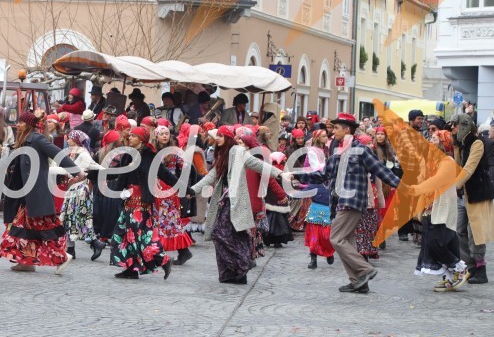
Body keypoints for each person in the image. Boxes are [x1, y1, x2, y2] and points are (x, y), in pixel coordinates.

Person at [286, 113, 402, 294]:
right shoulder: (338, 152)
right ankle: (358, 281)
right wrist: (297, 175)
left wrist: (403, 187)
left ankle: (365, 269)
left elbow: (381, 170)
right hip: (339, 202)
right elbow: (323, 174)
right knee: (348, 240)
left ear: (347, 130)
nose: (333, 132)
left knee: (336, 238)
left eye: (337, 128)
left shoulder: (362, 150)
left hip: (352, 201)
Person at [190, 125, 284, 284]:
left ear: (228, 138)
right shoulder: (222, 155)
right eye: (217, 136)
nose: (217, 139)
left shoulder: (238, 152)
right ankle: (233, 273)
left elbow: (259, 165)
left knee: (219, 233)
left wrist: (280, 173)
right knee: (234, 235)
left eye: (221, 136)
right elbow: (211, 176)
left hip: (235, 201)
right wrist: (192, 190)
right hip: (225, 199)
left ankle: (243, 263)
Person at [0, 112, 84, 273]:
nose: (18, 125)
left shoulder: (37, 139)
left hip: (36, 194)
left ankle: (63, 256)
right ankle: (27, 262)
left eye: (21, 122)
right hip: (25, 195)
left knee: (43, 228)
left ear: (28, 125)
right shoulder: (24, 141)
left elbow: (57, 154)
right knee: (24, 229)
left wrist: (76, 171)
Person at [108, 126, 180, 279]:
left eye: (133, 136)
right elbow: (117, 172)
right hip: (129, 201)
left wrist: (185, 188)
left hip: (141, 201)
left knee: (138, 235)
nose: (130, 138)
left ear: (141, 139)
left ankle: (163, 260)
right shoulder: (128, 155)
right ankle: (132, 269)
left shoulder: (150, 156)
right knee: (123, 234)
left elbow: (165, 174)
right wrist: (96, 175)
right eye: (130, 136)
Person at [412, 129, 469, 291]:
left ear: (444, 142)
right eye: (430, 138)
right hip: (430, 206)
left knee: (436, 241)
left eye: (435, 139)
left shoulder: (447, 161)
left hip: (442, 206)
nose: (431, 141)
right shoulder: (428, 160)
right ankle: (450, 276)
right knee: (441, 241)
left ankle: (458, 268)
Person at [451, 114, 494, 284]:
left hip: (477, 193)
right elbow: (457, 167)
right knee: (458, 230)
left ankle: (480, 269)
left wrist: (455, 185)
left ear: (464, 125)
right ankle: (469, 266)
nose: (453, 129)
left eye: (455, 125)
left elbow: (469, 168)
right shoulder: (460, 145)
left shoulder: (477, 143)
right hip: (463, 194)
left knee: (476, 232)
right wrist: (456, 147)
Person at [152, 125, 194, 265]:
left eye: (167, 133)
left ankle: (176, 251)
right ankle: (176, 251)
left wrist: (183, 187)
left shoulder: (175, 151)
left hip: (170, 188)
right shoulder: (152, 150)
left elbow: (186, 169)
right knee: (158, 220)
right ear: (156, 136)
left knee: (169, 221)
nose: (165, 136)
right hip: (155, 188)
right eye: (162, 134)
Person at [58, 129, 103, 260]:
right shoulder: (74, 153)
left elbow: (94, 167)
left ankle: (94, 242)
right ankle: (71, 248)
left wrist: (85, 176)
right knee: (69, 217)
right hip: (73, 188)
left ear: (76, 140)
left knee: (80, 216)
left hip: (80, 189)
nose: (67, 140)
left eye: (70, 138)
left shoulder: (83, 154)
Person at [89, 129, 124, 259]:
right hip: (114, 187)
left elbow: (91, 173)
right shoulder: (120, 155)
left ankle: (100, 236)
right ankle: (108, 236)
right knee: (113, 213)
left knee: (100, 212)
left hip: (100, 187)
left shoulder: (99, 153)